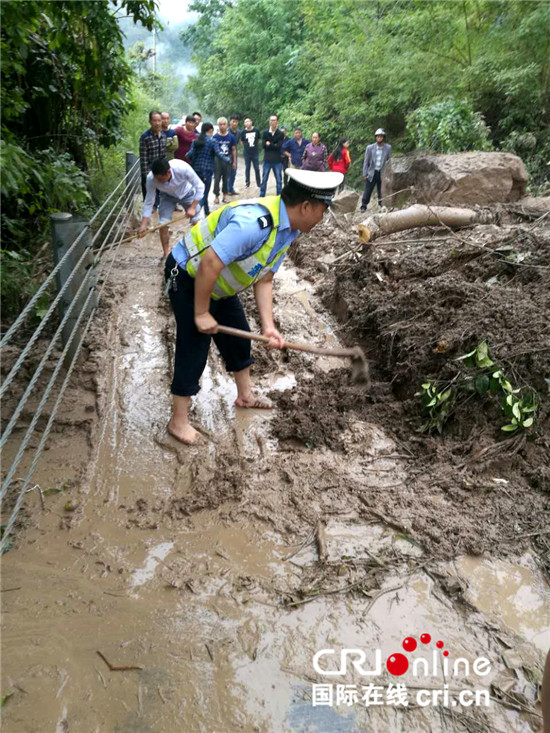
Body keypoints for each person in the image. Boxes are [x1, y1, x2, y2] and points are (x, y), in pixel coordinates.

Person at [163, 168, 344, 445]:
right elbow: (209, 263)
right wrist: (201, 313)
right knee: (195, 342)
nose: (322, 218)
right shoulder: (253, 223)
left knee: (239, 334)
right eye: (323, 210)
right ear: (306, 206)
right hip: (188, 275)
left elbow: (266, 279)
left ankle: (244, 395)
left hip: (218, 283)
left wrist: (269, 327)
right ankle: (178, 421)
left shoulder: (288, 230)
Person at [138, 157, 204, 258]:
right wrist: (143, 225)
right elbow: (149, 201)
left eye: (160, 179)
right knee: (162, 224)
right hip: (167, 196)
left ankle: (200, 249)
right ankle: (166, 253)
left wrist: (193, 207)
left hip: (187, 193)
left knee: (197, 220)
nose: (158, 181)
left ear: (168, 172)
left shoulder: (182, 168)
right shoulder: (151, 178)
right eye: (156, 179)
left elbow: (200, 186)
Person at [187, 122, 231, 216]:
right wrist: (227, 159)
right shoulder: (212, 141)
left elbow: (188, 155)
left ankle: (206, 211)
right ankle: (195, 210)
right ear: (210, 130)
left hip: (195, 171)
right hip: (207, 171)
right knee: (205, 193)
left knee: (199, 191)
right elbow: (218, 154)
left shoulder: (195, 141)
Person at [361, 128, 392, 211]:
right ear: (376, 137)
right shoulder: (370, 148)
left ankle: (381, 205)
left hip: (382, 172)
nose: (379, 138)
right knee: (368, 189)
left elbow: (389, 161)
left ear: (383, 138)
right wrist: (364, 174)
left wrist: (389, 174)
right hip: (372, 172)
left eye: (381, 137)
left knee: (381, 190)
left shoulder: (388, 148)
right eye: (378, 137)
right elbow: (366, 161)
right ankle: (363, 205)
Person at [139, 110, 166, 199]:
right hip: (149, 173)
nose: (157, 123)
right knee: (149, 202)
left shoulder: (163, 136)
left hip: (160, 174)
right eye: (155, 120)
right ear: (150, 122)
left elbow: (163, 156)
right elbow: (143, 159)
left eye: (159, 120)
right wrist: (147, 177)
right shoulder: (145, 137)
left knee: (161, 200)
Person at [213, 117, 237, 205]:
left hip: (227, 160)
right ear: (218, 125)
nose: (222, 126)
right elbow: (213, 150)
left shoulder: (231, 137)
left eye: (224, 124)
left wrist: (234, 162)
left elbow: (234, 149)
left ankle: (225, 196)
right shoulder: (215, 136)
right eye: (220, 124)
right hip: (218, 160)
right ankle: (216, 196)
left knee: (226, 179)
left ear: (226, 125)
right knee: (217, 179)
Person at [259, 114, 284, 197]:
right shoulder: (265, 132)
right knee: (264, 179)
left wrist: (269, 144)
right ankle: (262, 196)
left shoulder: (280, 133)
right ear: (269, 121)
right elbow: (263, 145)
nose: (272, 122)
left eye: (274, 120)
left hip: (277, 160)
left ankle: (279, 197)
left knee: (279, 180)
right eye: (271, 120)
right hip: (267, 160)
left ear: (277, 121)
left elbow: (279, 146)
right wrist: (274, 144)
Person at [240, 117, 261, 188]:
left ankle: (259, 183)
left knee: (257, 168)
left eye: (248, 121)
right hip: (247, 153)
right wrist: (245, 148)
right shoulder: (243, 132)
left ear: (251, 122)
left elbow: (258, 139)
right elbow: (241, 141)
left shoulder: (256, 130)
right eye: (245, 122)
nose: (247, 123)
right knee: (247, 168)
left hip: (255, 152)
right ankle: (247, 182)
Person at [227, 115, 241, 195]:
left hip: (234, 154)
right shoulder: (227, 131)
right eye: (233, 121)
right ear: (230, 122)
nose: (234, 123)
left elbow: (237, 143)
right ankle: (226, 190)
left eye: (236, 122)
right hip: (226, 154)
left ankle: (231, 188)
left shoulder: (238, 132)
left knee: (234, 172)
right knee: (227, 173)